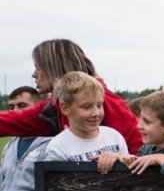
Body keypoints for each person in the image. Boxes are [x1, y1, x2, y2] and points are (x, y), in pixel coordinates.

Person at [0, 39, 142, 153]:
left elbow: (138, 146)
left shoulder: (105, 99)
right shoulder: (53, 108)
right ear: (65, 108)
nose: (34, 74)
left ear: (54, 67)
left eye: (38, 66)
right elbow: (9, 122)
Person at [44, 72, 129, 191]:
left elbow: (131, 186)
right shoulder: (58, 147)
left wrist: (120, 161)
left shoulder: (114, 137)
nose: (95, 113)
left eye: (99, 105)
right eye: (86, 107)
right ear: (65, 108)